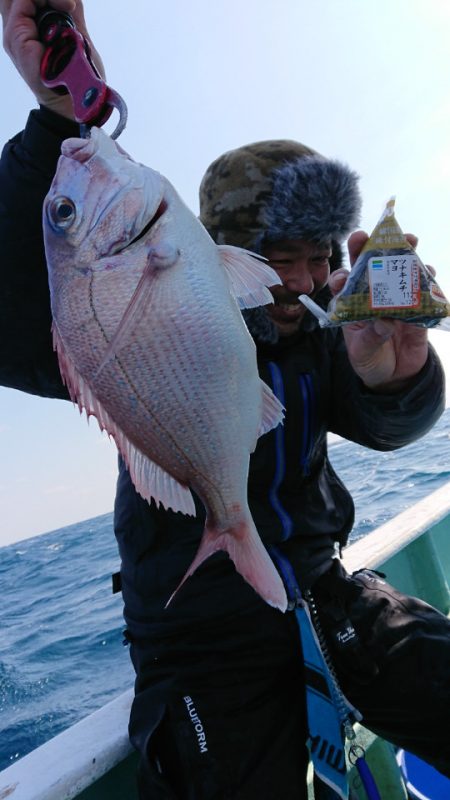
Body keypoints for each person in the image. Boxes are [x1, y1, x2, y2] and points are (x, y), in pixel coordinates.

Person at [1, 2, 450, 798]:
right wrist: (54, 119)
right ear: (225, 251)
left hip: (326, 592)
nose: (306, 281)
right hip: (196, 636)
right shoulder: (144, 300)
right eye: (283, 256)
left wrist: (399, 372)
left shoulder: (319, 338)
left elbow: (394, 425)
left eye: (318, 259)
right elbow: (17, 320)